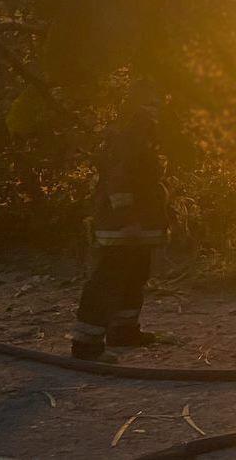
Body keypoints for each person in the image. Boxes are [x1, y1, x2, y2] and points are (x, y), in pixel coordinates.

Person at [71, 86, 170, 361]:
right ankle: (86, 345)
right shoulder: (128, 138)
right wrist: (129, 220)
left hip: (137, 227)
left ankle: (124, 331)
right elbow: (120, 181)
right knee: (109, 280)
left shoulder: (144, 136)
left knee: (134, 276)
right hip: (123, 228)